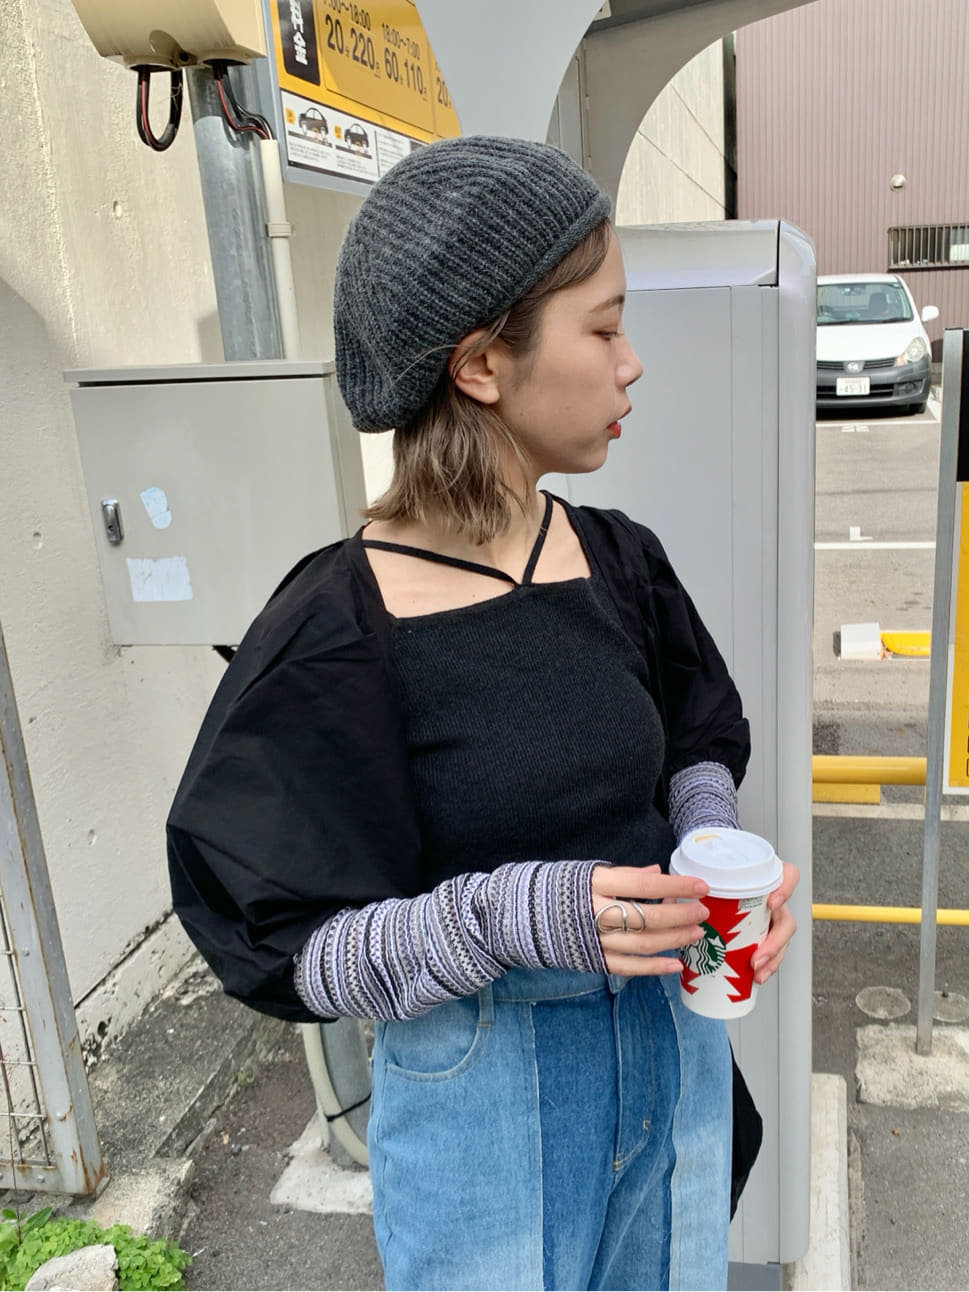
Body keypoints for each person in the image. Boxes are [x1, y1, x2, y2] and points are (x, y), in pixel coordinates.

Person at [167, 135, 798, 1292]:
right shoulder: (335, 626)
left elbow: (695, 736)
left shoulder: (617, 559)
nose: (632, 365)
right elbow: (283, 946)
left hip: (673, 1049)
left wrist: (711, 842)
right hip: (484, 1090)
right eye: (603, 328)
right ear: (481, 364)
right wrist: (505, 918)